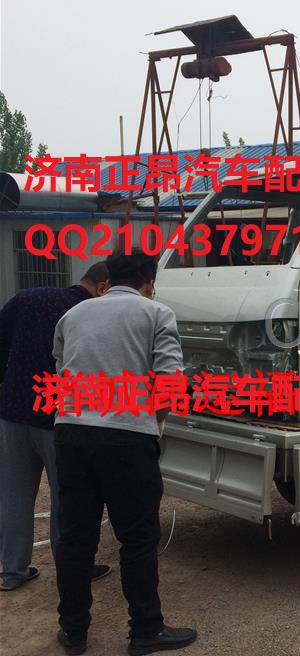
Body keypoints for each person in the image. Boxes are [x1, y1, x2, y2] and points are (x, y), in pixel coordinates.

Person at [52, 250, 197, 656]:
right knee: (137, 539)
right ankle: (146, 630)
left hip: (72, 435)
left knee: (75, 538)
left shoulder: (73, 315)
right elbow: (168, 385)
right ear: (149, 283)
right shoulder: (156, 314)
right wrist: (154, 425)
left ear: (109, 279)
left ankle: (73, 631)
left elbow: (63, 371)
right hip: (127, 438)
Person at [0, 263, 112, 592]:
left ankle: (11, 571)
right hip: (58, 417)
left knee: (14, 494)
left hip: (13, 411)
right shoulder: (89, 313)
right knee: (67, 495)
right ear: (103, 287)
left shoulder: (25, 298)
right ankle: (72, 568)